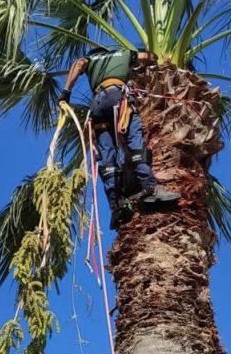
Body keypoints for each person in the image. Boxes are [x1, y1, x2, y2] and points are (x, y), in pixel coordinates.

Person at [59, 46, 179, 228]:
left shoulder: (90, 60)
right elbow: (148, 57)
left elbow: (78, 64)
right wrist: (158, 58)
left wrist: (66, 93)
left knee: (107, 159)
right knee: (134, 142)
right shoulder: (124, 53)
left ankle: (117, 206)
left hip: (98, 105)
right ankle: (150, 188)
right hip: (118, 97)